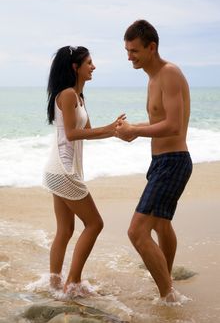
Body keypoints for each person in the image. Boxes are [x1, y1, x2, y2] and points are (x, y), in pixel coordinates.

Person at [115, 20, 193, 302]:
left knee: (137, 232)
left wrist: (135, 131)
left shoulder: (169, 73)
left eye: (134, 50)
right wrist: (130, 129)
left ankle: (168, 296)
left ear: (152, 47)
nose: (129, 57)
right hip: (161, 162)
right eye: (127, 50)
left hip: (173, 160)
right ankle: (168, 280)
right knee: (161, 224)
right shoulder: (152, 79)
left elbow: (173, 126)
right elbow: (159, 123)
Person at [43, 45, 125, 296]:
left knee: (65, 230)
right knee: (95, 223)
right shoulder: (67, 94)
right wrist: (109, 128)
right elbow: (72, 133)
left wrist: (114, 131)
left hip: (60, 172)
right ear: (75, 67)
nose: (94, 66)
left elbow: (86, 134)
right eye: (89, 62)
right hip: (63, 171)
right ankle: (72, 283)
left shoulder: (78, 97)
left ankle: (55, 283)